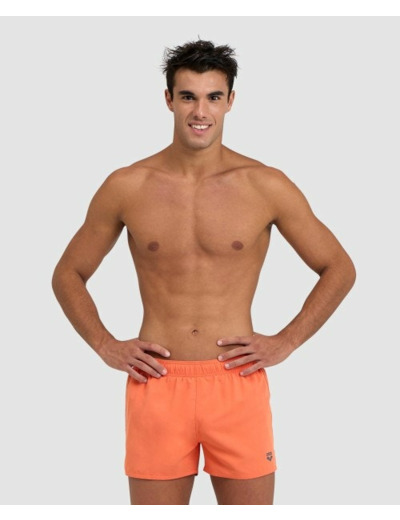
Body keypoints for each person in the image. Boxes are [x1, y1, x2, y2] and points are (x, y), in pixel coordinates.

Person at [51, 39, 356, 505]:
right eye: (188, 96)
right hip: (156, 383)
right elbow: (68, 273)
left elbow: (339, 267)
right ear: (169, 100)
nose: (200, 111)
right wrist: (104, 344)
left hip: (235, 381)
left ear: (230, 101)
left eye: (213, 96)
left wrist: (286, 341)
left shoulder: (265, 184)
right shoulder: (127, 185)